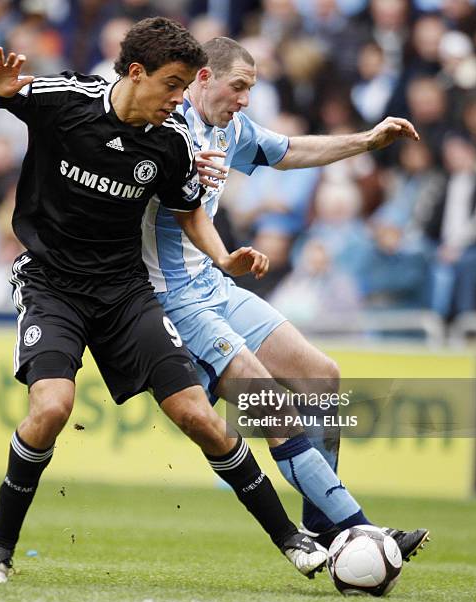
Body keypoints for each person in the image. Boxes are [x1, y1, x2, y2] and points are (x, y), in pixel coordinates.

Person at [0, 18, 327, 584]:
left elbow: (190, 211)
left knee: (198, 415)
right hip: (52, 284)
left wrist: (223, 259)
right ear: (135, 72)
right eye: (172, 85)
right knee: (51, 409)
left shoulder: (171, 139)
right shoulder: (66, 100)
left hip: (125, 291)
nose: (179, 100)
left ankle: (292, 539)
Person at [142, 36, 430, 556]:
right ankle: (357, 531)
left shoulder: (231, 131)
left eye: (251, 89)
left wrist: (366, 141)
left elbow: (292, 150)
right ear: (203, 78)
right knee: (272, 407)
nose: (246, 99)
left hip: (215, 286)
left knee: (323, 375)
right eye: (239, 87)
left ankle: (325, 527)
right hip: (173, 299)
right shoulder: (161, 125)